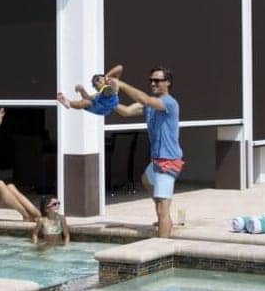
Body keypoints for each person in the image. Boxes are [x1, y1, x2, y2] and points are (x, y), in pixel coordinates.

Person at [113, 66, 184, 238]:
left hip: (168, 163)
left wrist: (121, 84)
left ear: (168, 82)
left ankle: (162, 243)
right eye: (151, 80)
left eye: (157, 80)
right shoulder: (151, 104)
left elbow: (144, 99)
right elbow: (127, 111)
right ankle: (163, 212)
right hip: (157, 162)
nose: (153, 83)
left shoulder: (169, 102)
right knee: (146, 179)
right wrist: (108, 100)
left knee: (162, 210)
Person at [56, 65, 123, 115]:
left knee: (113, 84)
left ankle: (70, 103)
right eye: (95, 84)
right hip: (101, 108)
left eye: (98, 80)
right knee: (86, 102)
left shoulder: (110, 84)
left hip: (109, 102)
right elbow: (87, 98)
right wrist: (82, 90)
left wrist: (107, 76)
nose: (97, 83)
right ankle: (69, 103)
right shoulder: (98, 95)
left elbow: (120, 67)